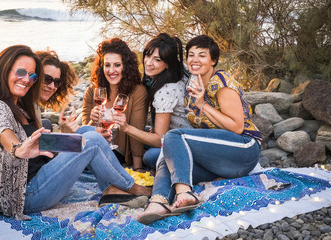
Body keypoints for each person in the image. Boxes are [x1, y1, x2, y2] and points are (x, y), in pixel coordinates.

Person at [0, 45, 151, 221]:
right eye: (20, 72)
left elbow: (42, 145)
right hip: (26, 195)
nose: (26, 80)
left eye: (32, 76)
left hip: (38, 176)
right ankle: (132, 187)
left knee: (87, 131)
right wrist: (18, 149)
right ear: (3, 70)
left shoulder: (19, 106)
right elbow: (5, 133)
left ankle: (111, 189)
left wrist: (76, 136)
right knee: (92, 140)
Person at [138, 35, 262, 224]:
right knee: (166, 156)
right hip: (220, 160)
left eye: (202, 55)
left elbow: (237, 127)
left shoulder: (220, 82)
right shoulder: (192, 85)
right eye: (191, 55)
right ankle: (159, 201)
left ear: (213, 60)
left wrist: (202, 104)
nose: (195, 60)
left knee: (172, 137)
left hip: (244, 149)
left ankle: (185, 191)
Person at [113, 33, 192, 171]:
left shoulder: (166, 90)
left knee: (148, 156)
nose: (149, 63)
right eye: (148, 56)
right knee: (132, 137)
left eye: (157, 60)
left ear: (167, 64)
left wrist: (126, 128)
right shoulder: (180, 70)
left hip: (184, 143)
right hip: (177, 133)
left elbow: (159, 140)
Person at [82, 38, 147, 171]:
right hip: (91, 149)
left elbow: (136, 130)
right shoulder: (92, 91)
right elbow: (84, 133)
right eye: (107, 65)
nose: (111, 71)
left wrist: (138, 168)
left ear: (126, 66)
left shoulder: (137, 92)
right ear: (102, 66)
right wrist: (92, 121)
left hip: (118, 153)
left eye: (117, 65)